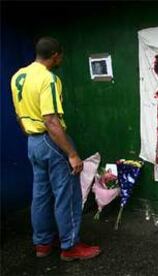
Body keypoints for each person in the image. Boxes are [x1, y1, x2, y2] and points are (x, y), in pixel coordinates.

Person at [10, 37, 101, 261]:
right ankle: (70, 246)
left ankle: (42, 243)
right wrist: (72, 154)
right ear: (55, 55)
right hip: (50, 140)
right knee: (67, 194)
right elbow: (51, 120)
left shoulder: (18, 76)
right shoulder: (48, 79)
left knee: (40, 195)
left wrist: (31, 133)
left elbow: (18, 114)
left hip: (33, 141)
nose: (61, 59)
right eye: (61, 56)